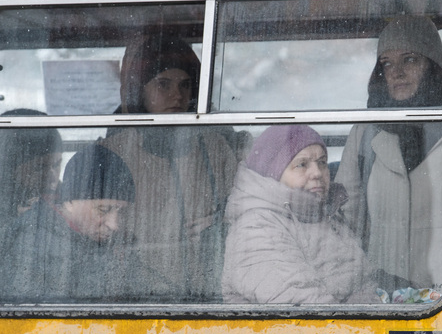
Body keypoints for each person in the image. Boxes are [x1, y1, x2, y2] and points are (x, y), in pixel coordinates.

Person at [101, 35, 237, 300]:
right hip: (135, 296)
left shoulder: (215, 147)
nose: (177, 95)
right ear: (138, 90)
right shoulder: (113, 152)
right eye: (163, 85)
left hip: (208, 291)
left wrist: (222, 221)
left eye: (185, 86)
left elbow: (245, 205)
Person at [335, 16, 442, 291]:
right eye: (387, 63)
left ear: (433, 66)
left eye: (410, 59)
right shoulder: (365, 134)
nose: (397, 72)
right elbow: (345, 220)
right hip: (384, 298)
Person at [222, 125, 383, 304]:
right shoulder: (256, 228)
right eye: (301, 164)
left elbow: (363, 284)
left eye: (322, 162)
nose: (317, 173)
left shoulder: (325, 215)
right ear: (273, 173)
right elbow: (304, 307)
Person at [0, 144, 161, 302]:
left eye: (122, 212)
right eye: (103, 209)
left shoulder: (108, 242)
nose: (114, 224)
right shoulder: (32, 243)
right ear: (69, 202)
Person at [0, 111, 62, 227]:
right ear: (10, 169)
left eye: (56, 165)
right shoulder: (5, 205)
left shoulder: (68, 197)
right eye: (39, 168)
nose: (52, 176)